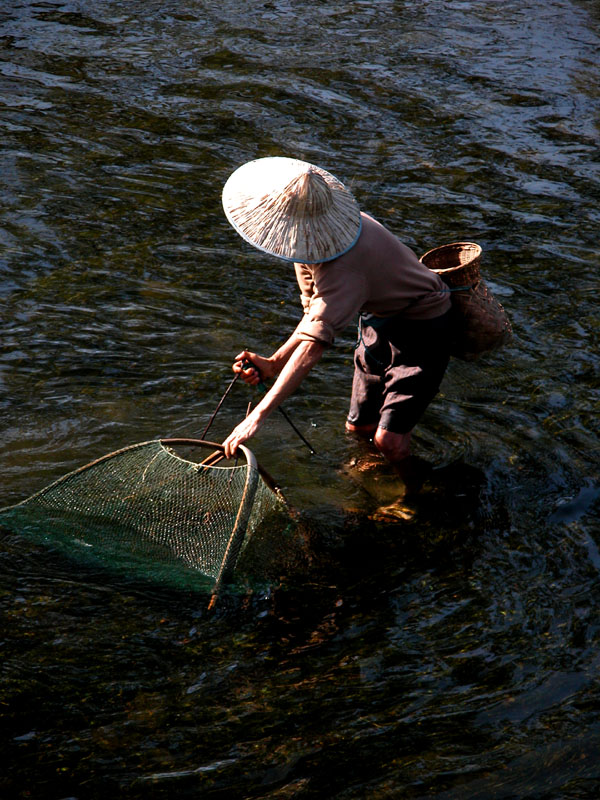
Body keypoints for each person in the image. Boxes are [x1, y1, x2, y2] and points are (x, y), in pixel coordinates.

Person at [221, 156, 452, 487]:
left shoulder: (343, 268)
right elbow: (312, 318)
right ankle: (376, 482)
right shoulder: (309, 246)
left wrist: (256, 417)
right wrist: (273, 363)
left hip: (423, 328)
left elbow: (313, 348)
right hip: (379, 320)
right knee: (359, 429)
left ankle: (416, 496)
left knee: (390, 442)